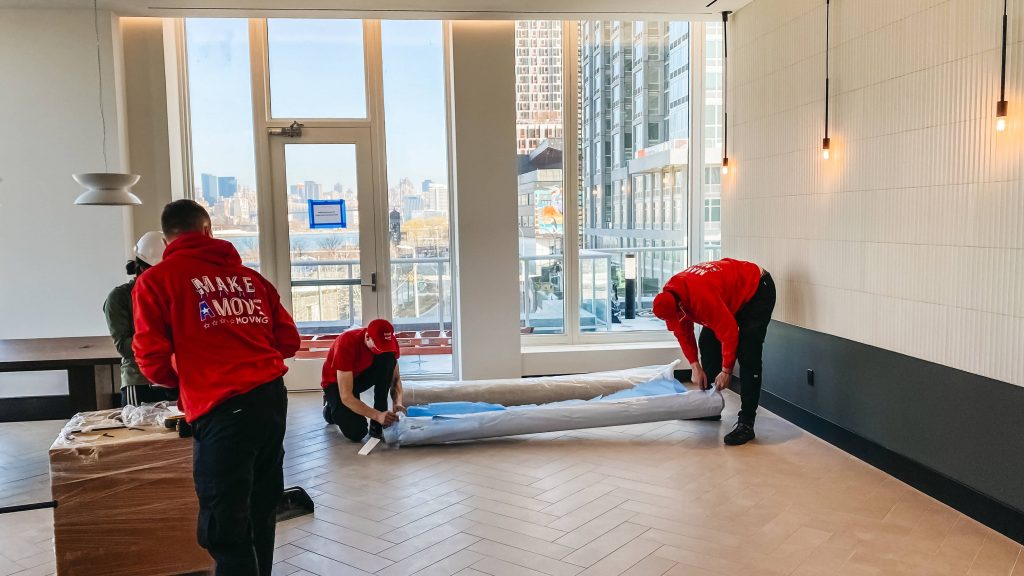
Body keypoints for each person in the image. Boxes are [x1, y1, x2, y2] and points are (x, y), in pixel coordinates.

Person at [132, 199, 300, 576]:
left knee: (224, 526)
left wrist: (192, 377)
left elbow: (151, 361)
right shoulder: (252, 280)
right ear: (208, 230)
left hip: (223, 410)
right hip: (272, 398)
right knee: (260, 504)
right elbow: (288, 341)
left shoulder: (156, 282)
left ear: (166, 238)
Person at [652, 258, 776, 446]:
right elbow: (682, 332)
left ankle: (746, 423)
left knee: (748, 352)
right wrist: (695, 365)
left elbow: (729, 332)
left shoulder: (701, 298)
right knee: (708, 343)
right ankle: (709, 408)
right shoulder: (670, 295)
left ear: (680, 307)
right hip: (728, 295)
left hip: (757, 288)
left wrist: (726, 371)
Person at [103, 231, 178, 407]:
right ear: (142, 269)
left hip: (176, 377)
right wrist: (159, 337)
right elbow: (124, 346)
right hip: (140, 382)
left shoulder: (172, 294)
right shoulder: (120, 297)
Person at [321, 319, 405, 442]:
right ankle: (331, 407)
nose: (381, 351)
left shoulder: (390, 342)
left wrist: (398, 402)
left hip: (360, 376)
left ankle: (378, 423)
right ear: (367, 337)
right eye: (378, 347)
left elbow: (395, 379)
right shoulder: (346, 342)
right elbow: (346, 396)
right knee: (357, 432)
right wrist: (377, 415)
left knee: (388, 359)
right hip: (337, 384)